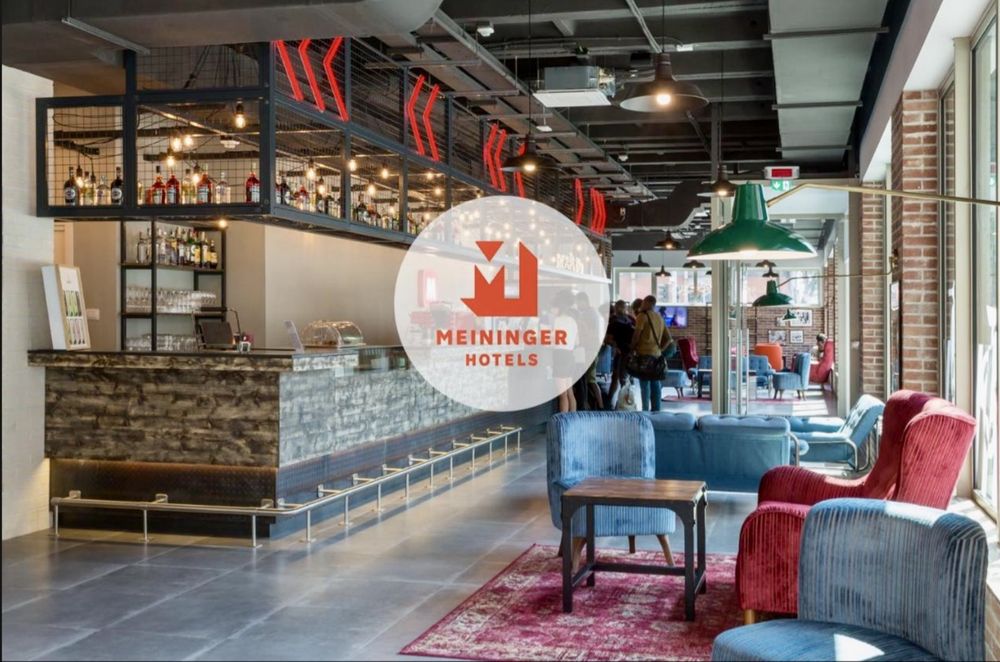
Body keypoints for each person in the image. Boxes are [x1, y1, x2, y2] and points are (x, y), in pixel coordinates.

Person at [631, 295, 672, 411]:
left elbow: (636, 335)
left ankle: (645, 410)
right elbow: (669, 339)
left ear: (647, 303)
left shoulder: (642, 316)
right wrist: (661, 349)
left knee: (644, 384)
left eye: (643, 302)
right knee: (655, 383)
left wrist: (632, 349)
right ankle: (656, 411)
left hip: (644, 354)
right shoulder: (659, 317)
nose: (642, 305)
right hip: (657, 355)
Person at [551, 290, 578, 413]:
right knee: (569, 392)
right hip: (570, 356)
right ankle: (573, 419)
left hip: (560, 357)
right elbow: (577, 342)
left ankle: (563, 421)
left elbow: (552, 340)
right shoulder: (573, 321)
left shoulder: (557, 321)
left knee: (562, 395)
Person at [606, 300, 635, 407]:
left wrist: (614, 346)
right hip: (629, 352)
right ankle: (625, 402)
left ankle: (610, 402)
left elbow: (608, 339)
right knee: (623, 378)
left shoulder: (613, 321)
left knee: (616, 377)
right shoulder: (631, 320)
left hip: (620, 352)